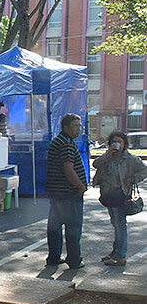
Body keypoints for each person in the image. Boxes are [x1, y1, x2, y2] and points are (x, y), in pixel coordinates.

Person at [92, 131, 147, 266]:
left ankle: (120, 255)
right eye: (114, 142)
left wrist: (133, 179)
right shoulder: (108, 156)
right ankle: (116, 251)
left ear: (125, 144)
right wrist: (108, 154)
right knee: (115, 223)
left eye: (120, 142)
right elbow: (95, 164)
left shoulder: (130, 159)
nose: (117, 144)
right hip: (107, 194)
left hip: (121, 195)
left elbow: (144, 170)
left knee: (120, 225)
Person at [45, 113, 88, 269]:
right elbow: (68, 169)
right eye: (76, 126)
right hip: (68, 193)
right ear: (66, 127)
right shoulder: (66, 144)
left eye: (80, 125)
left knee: (55, 226)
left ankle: (53, 257)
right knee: (73, 227)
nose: (79, 129)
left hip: (56, 192)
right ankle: (74, 259)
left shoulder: (59, 141)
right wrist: (81, 186)